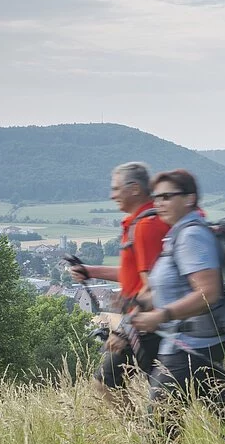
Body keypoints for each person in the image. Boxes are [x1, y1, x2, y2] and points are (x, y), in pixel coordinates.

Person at [130, 169, 225, 444]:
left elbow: (208, 292)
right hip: (197, 345)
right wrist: (141, 302)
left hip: (187, 349)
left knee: (158, 432)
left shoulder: (192, 235)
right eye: (156, 196)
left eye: (168, 196)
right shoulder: (179, 234)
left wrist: (161, 316)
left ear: (190, 198)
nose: (160, 202)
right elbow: (176, 285)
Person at [70, 161, 169, 412]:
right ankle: (144, 440)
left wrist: (124, 331)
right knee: (109, 383)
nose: (112, 194)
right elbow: (134, 276)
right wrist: (90, 271)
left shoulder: (147, 226)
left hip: (149, 324)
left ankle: (145, 440)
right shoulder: (138, 223)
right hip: (145, 322)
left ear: (134, 188)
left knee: (108, 383)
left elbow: (154, 287)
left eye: (116, 188)